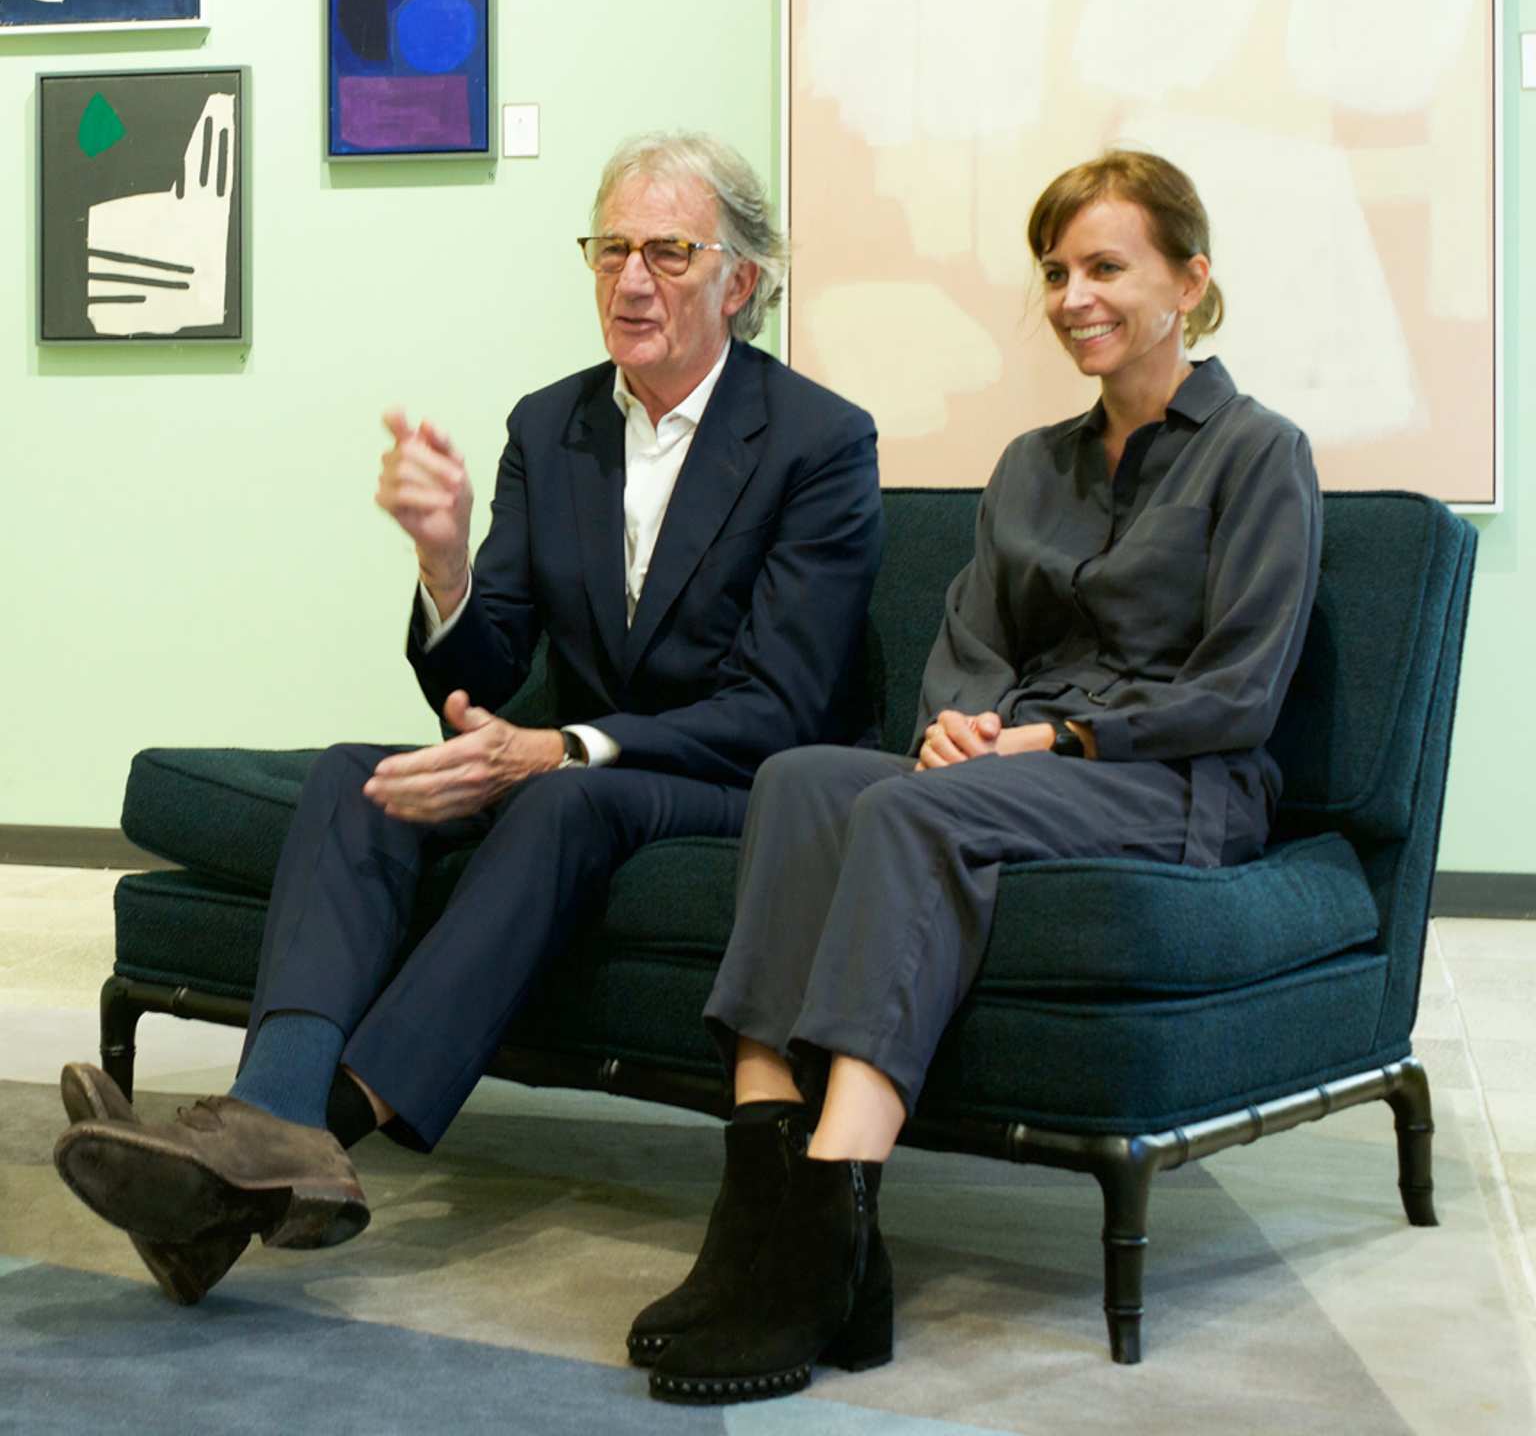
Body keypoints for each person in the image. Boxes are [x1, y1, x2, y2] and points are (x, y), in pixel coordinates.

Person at [54, 129, 884, 1306]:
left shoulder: (818, 440)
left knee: (563, 801)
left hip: (736, 779)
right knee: (359, 776)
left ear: (739, 280)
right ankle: (268, 1120)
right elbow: (485, 671)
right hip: (586, 769)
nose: (631, 280)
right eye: (610, 249)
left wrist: (563, 747)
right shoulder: (552, 427)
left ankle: (287, 1140)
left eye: (667, 252)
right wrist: (444, 567)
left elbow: (778, 707)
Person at [632, 148, 1323, 1406]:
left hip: (1171, 778)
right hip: (1015, 762)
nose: (1073, 297)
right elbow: (974, 643)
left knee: (909, 813)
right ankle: (757, 1198)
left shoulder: (1260, 453)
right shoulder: (1031, 466)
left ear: (1190, 280)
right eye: (1056, 272)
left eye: (1106, 267)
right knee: (800, 780)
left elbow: (1240, 690)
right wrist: (961, 723)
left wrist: (1053, 742)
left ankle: (834, 1224)